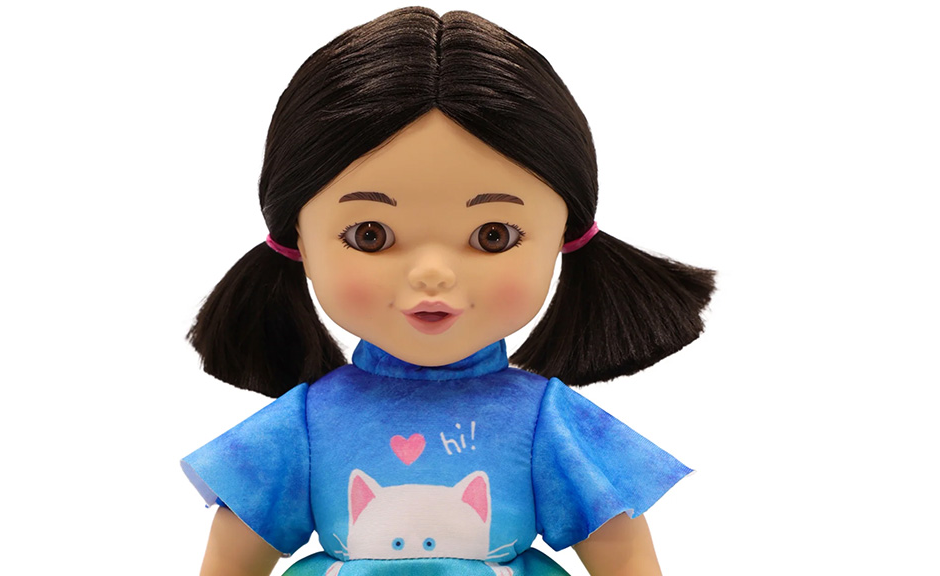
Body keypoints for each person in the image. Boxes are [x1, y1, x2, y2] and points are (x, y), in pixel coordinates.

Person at [182, 7, 714, 576]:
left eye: (493, 236)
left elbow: (619, 549)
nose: (432, 273)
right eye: (370, 235)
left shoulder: (546, 418)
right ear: (300, 243)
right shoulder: (306, 422)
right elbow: (236, 552)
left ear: (563, 238)